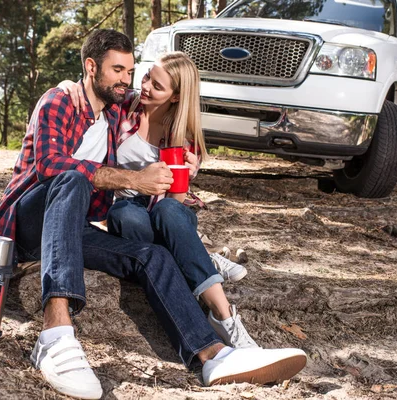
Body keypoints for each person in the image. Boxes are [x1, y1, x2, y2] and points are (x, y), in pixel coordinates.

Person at [0, 29, 307, 400]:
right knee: (72, 177)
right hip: (28, 223)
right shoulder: (59, 101)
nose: (128, 81)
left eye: (130, 71)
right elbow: (49, 165)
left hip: (72, 229)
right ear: (91, 68)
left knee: (151, 255)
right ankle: (55, 335)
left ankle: (213, 354)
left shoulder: (114, 114)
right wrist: (134, 179)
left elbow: (163, 107)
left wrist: (188, 165)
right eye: (118, 70)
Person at [58, 52, 257, 350]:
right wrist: (67, 85)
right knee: (127, 215)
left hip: (165, 214)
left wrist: (184, 177)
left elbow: (174, 205)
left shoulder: (184, 137)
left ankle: (224, 315)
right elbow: (90, 91)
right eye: (148, 76)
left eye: (158, 85)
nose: (146, 86)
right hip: (123, 206)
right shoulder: (126, 105)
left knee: (168, 210)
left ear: (176, 97)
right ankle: (198, 257)